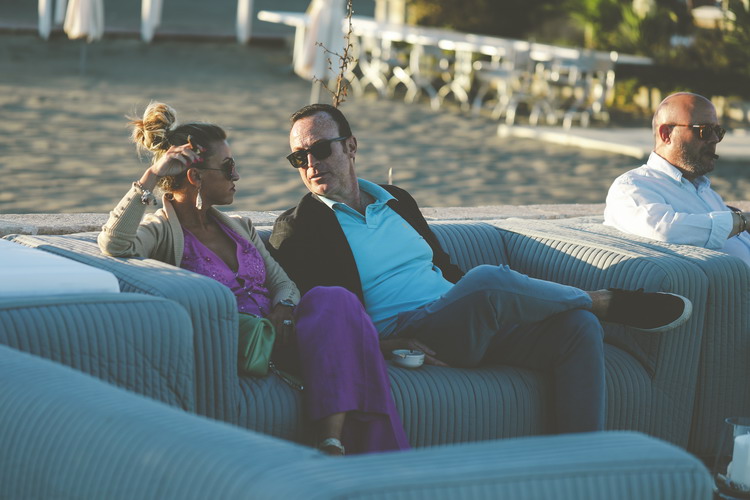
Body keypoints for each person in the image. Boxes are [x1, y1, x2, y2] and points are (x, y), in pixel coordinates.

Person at [270, 103, 693, 434]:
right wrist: (383, 344)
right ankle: (605, 301)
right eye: (298, 157)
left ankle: (579, 467)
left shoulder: (396, 200)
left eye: (320, 149)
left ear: (350, 146)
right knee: (488, 280)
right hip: (409, 334)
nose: (311, 163)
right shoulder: (299, 228)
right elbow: (316, 314)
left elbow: (444, 267)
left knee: (577, 327)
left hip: (459, 318)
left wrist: (473, 303)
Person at [98, 102, 410, 456]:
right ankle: (371, 452)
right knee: (357, 346)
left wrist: (285, 307)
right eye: (228, 166)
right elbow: (114, 244)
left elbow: (284, 283)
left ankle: (331, 439)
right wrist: (152, 176)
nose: (236, 176)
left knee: (334, 299)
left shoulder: (239, 228)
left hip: (284, 339)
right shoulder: (162, 231)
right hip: (237, 346)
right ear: (195, 176)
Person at [604, 92, 750, 266]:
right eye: (704, 131)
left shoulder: (706, 192)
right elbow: (662, 229)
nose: (715, 139)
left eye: (718, 131)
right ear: (666, 134)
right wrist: (742, 221)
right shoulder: (632, 187)